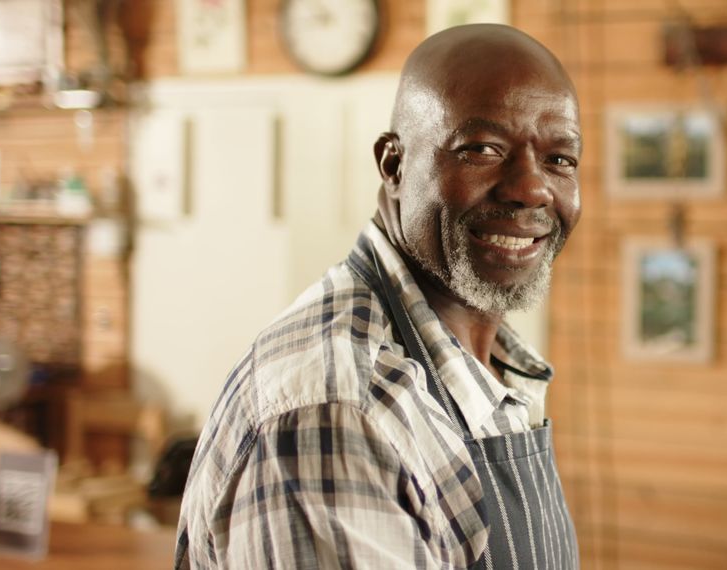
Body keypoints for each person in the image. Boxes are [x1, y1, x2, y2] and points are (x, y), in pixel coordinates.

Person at [174, 24, 582, 569]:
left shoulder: (492, 369)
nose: (532, 188)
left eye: (560, 160)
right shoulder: (338, 407)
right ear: (393, 165)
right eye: (482, 149)